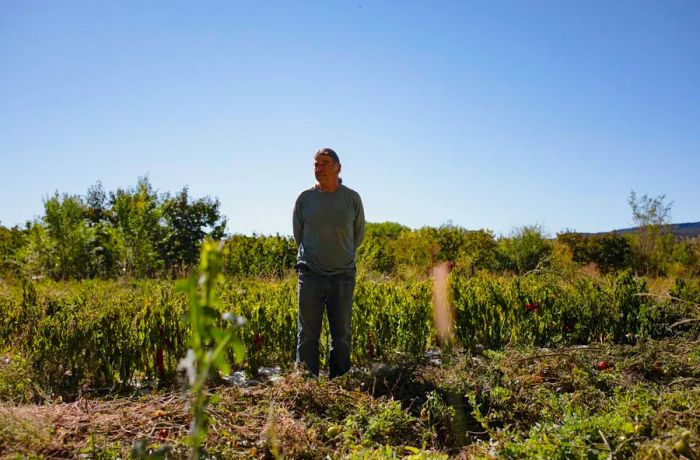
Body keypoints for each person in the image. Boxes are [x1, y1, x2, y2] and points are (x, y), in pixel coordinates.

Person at [293, 147, 365, 377]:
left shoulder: (351, 198)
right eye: (315, 164)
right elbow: (298, 234)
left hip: (343, 274)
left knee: (341, 333)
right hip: (310, 273)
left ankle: (339, 382)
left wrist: (342, 254)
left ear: (338, 168)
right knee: (307, 332)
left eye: (324, 163)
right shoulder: (305, 199)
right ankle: (306, 382)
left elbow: (358, 235)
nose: (318, 168)